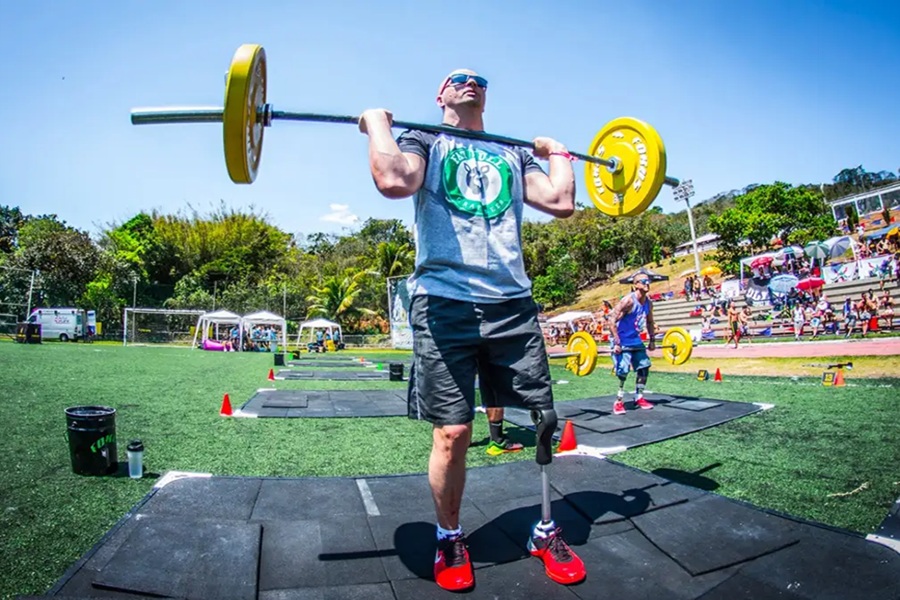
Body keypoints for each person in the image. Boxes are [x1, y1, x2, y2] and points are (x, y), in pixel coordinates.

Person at [359, 68, 585, 591]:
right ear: (440, 95)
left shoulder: (511, 151)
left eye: (479, 78)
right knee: (454, 432)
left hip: (511, 302)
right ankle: (449, 535)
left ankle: (545, 530)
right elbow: (395, 180)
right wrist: (376, 124)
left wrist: (560, 154)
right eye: (457, 78)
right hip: (445, 303)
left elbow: (560, 202)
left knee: (545, 419)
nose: (470, 82)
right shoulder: (423, 139)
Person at [608, 273, 656, 415]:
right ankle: (618, 401)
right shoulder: (628, 301)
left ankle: (639, 397)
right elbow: (611, 320)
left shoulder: (648, 302)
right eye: (643, 281)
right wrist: (616, 342)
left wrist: (652, 340)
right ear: (636, 285)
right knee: (623, 371)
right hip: (621, 340)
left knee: (644, 366)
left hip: (635, 339)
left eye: (648, 281)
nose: (647, 283)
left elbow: (650, 322)